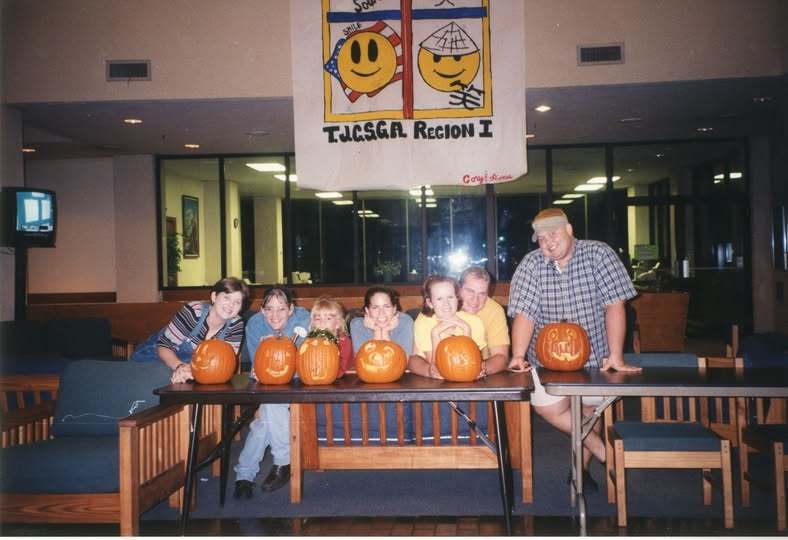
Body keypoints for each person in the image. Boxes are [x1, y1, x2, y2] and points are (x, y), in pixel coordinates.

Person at [507, 207, 640, 492]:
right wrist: (518, 355)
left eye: (552, 234)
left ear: (569, 230)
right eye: (541, 239)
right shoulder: (531, 265)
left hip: (595, 359)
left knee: (589, 411)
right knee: (549, 408)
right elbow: (525, 314)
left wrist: (615, 355)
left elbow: (615, 304)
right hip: (545, 363)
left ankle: (578, 473)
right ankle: (607, 456)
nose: (547, 243)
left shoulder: (599, 254)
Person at [233, 286, 310, 499]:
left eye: (281, 309)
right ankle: (276, 466)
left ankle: (249, 474)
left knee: (266, 415)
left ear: (291, 309)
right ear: (262, 310)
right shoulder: (256, 324)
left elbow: (297, 361)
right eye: (269, 309)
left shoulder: (302, 318)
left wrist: (279, 341)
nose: (274, 315)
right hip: (267, 383)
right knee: (268, 414)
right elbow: (261, 367)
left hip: (297, 381)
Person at [130, 277, 248, 384]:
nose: (231, 305)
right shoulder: (194, 311)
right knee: (164, 380)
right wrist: (180, 367)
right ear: (214, 297)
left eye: (237, 302)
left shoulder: (236, 324)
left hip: (190, 369)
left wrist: (190, 371)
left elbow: (224, 363)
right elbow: (163, 346)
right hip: (155, 356)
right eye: (227, 297)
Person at [409, 275, 488, 379]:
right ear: (430, 303)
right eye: (439, 299)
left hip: (465, 380)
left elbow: (471, 363)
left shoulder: (474, 322)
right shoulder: (423, 322)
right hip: (430, 380)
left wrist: (466, 329)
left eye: (450, 297)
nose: (446, 304)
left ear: (457, 298)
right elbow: (437, 368)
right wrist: (435, 333)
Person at [458, 266, 510, 376]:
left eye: (482, 294)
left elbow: (501, 357)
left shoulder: (494, 310)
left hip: (481, 375)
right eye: (470, 291)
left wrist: (477, 370)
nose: (475, 300)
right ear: (459, 288)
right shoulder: (444, 305)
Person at [349, 286, 414, 357]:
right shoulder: (357, 325)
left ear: (394, 309)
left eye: (387, 307)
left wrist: (385, 332)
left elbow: (403, 360)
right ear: (367, 310)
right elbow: (363, 361)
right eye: (375, 307)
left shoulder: (405, 322)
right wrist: (377, 331)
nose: (381, 313)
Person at [309, 296, 354, 376]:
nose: (322, 322)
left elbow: (340, 371)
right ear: (313, 323)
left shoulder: (344, 342)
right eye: (318, 319)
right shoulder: (309, 342)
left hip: (344, 381)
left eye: (328, 318)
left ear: (338, 323)